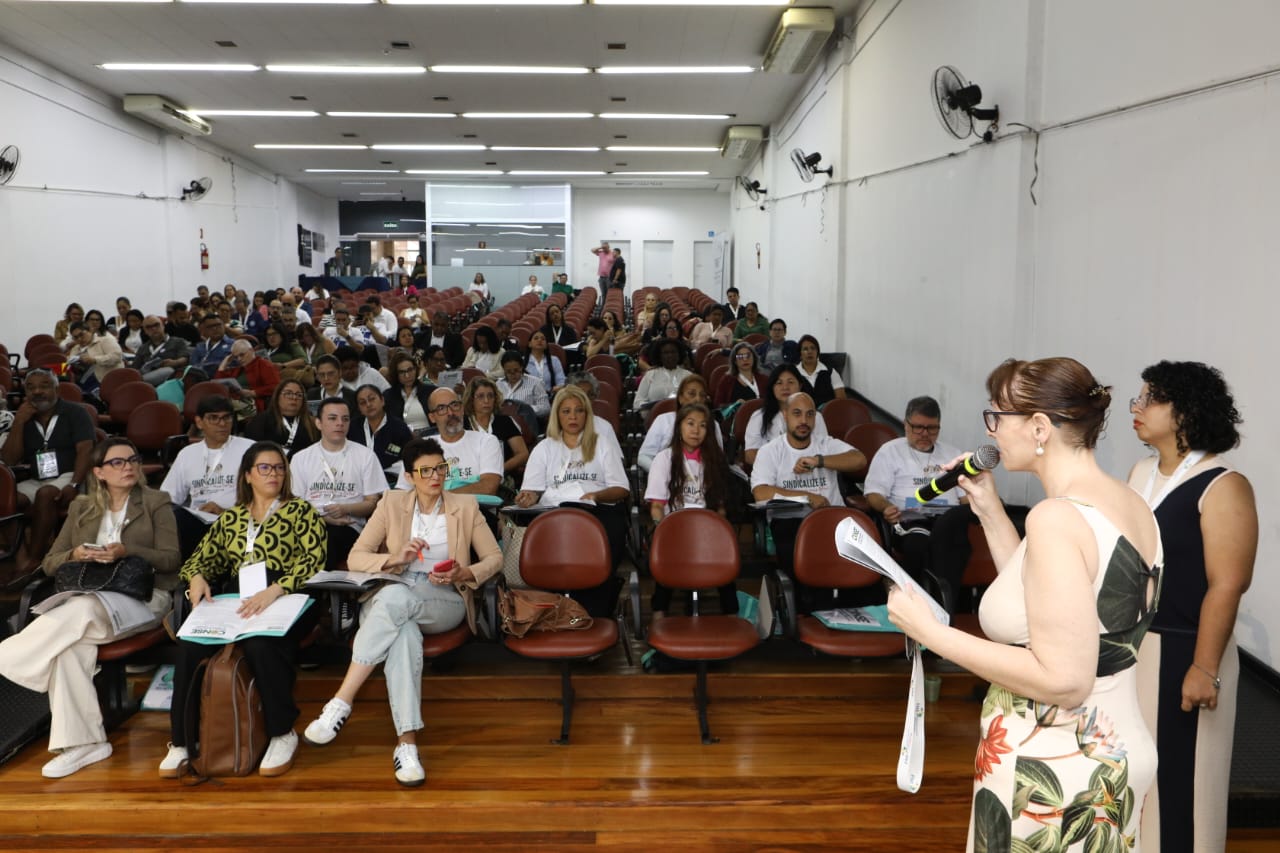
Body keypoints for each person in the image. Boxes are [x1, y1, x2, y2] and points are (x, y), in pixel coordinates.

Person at [887, 357, 1160, 852]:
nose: (989, 430)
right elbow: (1047, 604)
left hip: (1049, 772)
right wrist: (989, 508)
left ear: (1038, 427)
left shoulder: (1055, 518)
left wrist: (931, 633)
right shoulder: (1130, 502)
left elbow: (1064, 680)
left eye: (996, 416)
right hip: (1112, 753)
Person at [301, 437, 502, 785]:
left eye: (441, 468)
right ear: (409, 476)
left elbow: (494, 558)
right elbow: (356, 557)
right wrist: (396, 558)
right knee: (403, 634)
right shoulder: (392, 503)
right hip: (393, 591)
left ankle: (341, 701)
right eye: (426, 471)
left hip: (443, 598)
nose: (435, 476)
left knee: (395, 601)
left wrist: (463, 573)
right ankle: (406, 746)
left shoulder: (465, 506)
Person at [1128, 361, 1257, 852]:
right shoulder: (1140, 473)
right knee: (1137, 779)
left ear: (1185, 411)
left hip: (1187, 649)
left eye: (1150, 399)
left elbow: (1228, 583)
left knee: (1185, 787)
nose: (1137, 407)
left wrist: (1204, 668)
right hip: (1135, 648)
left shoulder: (1223, 484)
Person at [0, 438, 179, 778]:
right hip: (91, 597)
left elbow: (171, 560)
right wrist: (75, 554)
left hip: (145, 598)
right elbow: (50, 562)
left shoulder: (156, 501)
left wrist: (127, 551)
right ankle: (85, 744)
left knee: (80, 612)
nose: (128, 467)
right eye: (117, 462)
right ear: (98, 472)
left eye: (132, 460)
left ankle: (7, 658)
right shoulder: (82, 507)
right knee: (70, 647)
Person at [159, 441, 327, 779]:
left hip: (289, 593)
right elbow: (198, 560)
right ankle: (182, 741)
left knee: (261, 645)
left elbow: (314, 562)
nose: (273, 474)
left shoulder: (301, 511)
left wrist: (275, 590)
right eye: (265, 468)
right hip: (239, 597)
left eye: (279, 468)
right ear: (248, 475)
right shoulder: (232, 517)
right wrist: (197, 577)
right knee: (190, 646)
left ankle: (282, 732)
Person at [515, 386, 629, 613]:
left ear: (587, 414)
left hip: (597, 511)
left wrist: (597, 495)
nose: (573, 417)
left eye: (579, 411)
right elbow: (532, 491)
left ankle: (596, 609)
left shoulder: (601, 444)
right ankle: (556, 607)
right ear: (557, 415)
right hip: (555, 514)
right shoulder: (544, 448)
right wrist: (528, 497)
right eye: (566, 411)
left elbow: (621, 489)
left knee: (611, 533)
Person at [750, 392, 866, 610]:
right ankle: (809, 611)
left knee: (866, 559)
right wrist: (807, 497)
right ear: (785, 416)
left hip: (833, 520)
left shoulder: (826, 444)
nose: (803, 420)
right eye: (797, 414)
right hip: (791, 521)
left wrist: (819, 461)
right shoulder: (770, 451)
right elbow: (761, 492)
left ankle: (851, 610)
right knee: (804, 558)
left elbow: (859, 460)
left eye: (809, 414)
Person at [644, 403, 736, 620]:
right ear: (679, 427)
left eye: (702, 426)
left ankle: (732, 615)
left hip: (707, 529)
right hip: (674, 527)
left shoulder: (715, 460)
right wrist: (662, 531)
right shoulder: (664, 459)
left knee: (726, 554)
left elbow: (720, 506)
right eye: (690, 423)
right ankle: (659, 615)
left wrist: (719, 533)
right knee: (667, 553)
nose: (696, 430)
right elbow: (657, 506)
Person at [862, 396, 967, 583]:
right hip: (910, 520)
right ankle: (918, 594)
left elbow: (965, 498)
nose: (925, 434)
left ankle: (947, 597)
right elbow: (873, 493)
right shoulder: (890, 451)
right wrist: (886, 507)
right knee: (919, 544)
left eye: (931, 428)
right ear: (906, 425)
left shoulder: (953, 454)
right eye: (918, 427)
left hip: (947, 520)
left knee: (959, 543)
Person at [1, 369, 95, 571]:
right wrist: (19, 422)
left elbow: (86, 451)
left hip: (70, 474)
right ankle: (22, 556)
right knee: (5, 497)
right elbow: (9, 459)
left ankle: (36, 558)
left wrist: (74, 484)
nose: (37, 391)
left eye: (44, 386)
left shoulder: (75, 412)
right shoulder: (24, 417)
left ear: (56, 390)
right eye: (30, 387)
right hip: (37, 478)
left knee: (46, 494)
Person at [290, 397, 388, 570]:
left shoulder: (365, 455)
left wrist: (345, 508)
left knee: (330, 539)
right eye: (332, 418)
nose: (340, 424)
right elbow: (295, 505)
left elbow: (373, 503)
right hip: (309, 523)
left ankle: (314, 584)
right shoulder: (301, 458)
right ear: (318, 423)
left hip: (349, 526)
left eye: (345, 419)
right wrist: (322, 517)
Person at [160, 395, 255, 558]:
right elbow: (168, 497)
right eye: (213, 418)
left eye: (226, 418)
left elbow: (266, 498)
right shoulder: (187, 454)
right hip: (197, 523)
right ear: (199, 422)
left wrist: (225, 512)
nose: (222, 424)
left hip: (238, 521)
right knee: (175, 516)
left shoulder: (250, 449)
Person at [743, 363, 829, 466]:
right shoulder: (759, 417)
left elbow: (823, 450)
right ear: (772, 387)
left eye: (790, 382)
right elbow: (750, 455)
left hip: (808, 470)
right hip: (772, 471)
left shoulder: (815, 416)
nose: (785, 387)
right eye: (779, 383)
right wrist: (780, 469)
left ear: (800, 386)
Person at [424, 387, 502, 496]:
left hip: (476, 506)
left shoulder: (486, 441)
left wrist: (440, 498)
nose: (450, 412)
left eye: (455, 405)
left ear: (462, 409)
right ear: (432, 417)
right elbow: (404, 490)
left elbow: (488, 487)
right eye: (441, 408)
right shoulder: (422, 447)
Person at [637, 374, 720, 471]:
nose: (698, 399)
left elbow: (718, 459)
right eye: (692, 394)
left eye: (702, 395)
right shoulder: (663, 420)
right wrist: (661, 472)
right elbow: (644, 456)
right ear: (680, 398)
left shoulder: (713, 424)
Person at [462, 376, 529, 478]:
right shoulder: (462, 424)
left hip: (501, 476)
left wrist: (500, 469)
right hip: (469, 477)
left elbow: (522, 454)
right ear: (471, 399)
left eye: (490, 396)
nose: (486, 400)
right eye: (480, 396)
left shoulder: (505, 422)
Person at [245, 380, 319, 459]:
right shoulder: (260, 421)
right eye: (288, 393)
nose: (294, 398)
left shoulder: (312, 423)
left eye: (299, 395)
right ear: (277, 396)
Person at [351, 383, 413, 472]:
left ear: (382, 400)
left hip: (391, 476)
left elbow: (410, 458)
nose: (368, 404)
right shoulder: (352, 428)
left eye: (372, 399)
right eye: (362, 402)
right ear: (359, 409)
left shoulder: (399, 427)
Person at [214, 338, 281, 413]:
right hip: (235, 402)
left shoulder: (264, 365)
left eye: (242, 355)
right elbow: (217, 384)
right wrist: (224, 364)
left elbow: (275, 386)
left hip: (252, 404)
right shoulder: (238, 368)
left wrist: (253, 393)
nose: (239, 359)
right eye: (236, 357)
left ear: (251, 351)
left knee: (220, 407)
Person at [383, 349, 435, 434]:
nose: (407, 376)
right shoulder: (388, 396)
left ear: (416, 369)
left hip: (431, 436)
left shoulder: (431, 391)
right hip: (403, 439)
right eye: (402, 372)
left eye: (410, 370)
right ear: (396, 374)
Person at [633, 339, 693, 410]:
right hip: (655, 414)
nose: (670, 355)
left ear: (679, 354)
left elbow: (694, 401)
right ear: (660, 356)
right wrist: (655, 406)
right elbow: (637, 403)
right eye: (665, 353)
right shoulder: (650, 374)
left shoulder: (688, 376)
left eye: (673, 352)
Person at [133, 315, 191, 386]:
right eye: (148, 327)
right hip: (147, 375)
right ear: (145, 331)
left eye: (156, 325)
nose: (153, 328)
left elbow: (185, 358)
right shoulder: (143, 348)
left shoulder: (178, 342)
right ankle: (137, 383)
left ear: (163, 326)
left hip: (170, 379)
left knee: (168, 370)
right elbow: (134, 368)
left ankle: (137, 382)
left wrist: (175, 362)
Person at [67, 321, 124, 392]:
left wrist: (95, 360)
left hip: (106, 380)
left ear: (90, 331)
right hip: (82, 381)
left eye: (81, 335)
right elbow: (69, 365)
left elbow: (117, 356)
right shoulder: (75, 349)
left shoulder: (105, 340)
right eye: (75, 338)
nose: (79, 339)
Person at [795, 335, 846, 407]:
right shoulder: (794, 373)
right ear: (800, 354)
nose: (810, 352)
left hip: (827, 412)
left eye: (813, 348)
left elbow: (841, 401)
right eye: (805, 349)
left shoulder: (831, 372)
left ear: (817, 352)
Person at [498, 351, 550, 421]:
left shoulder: (535, 383)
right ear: (504, 369)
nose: (513, 374)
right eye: (509, 371)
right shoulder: (498, 384)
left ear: (521, 367)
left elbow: (545, 408)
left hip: (526, 422)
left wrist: (524, 409)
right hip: (503, 421)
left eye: (516, 370)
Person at [523, 330, 565, 398]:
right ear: (529, 344)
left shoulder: (554, 360)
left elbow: (561, 380)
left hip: (550, 397)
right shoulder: (522, 361)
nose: (539, 340)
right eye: (536, 338)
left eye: (543, 339)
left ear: (546, 345)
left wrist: (558, 387)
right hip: (528, 397)